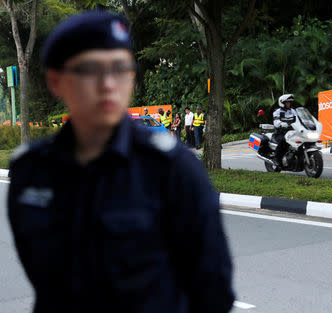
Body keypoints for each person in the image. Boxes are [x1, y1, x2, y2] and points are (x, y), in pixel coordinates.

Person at [7, 10, 234, 313]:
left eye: (120, 68)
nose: (108, 84)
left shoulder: (171, 169)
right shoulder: (31, 172)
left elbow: (214, 290)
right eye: (90, 70)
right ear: (56, 81)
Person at [273, 94, 296, 168]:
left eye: (289, 102)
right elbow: (276, 123)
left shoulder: (293, 111)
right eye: (287, 102)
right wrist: (283, 124)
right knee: (283, 140)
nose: (289, 104)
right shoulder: (277, 112)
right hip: (280, 133)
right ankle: (276, 158)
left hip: (291, 132)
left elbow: (299, 119)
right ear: (282, 103)